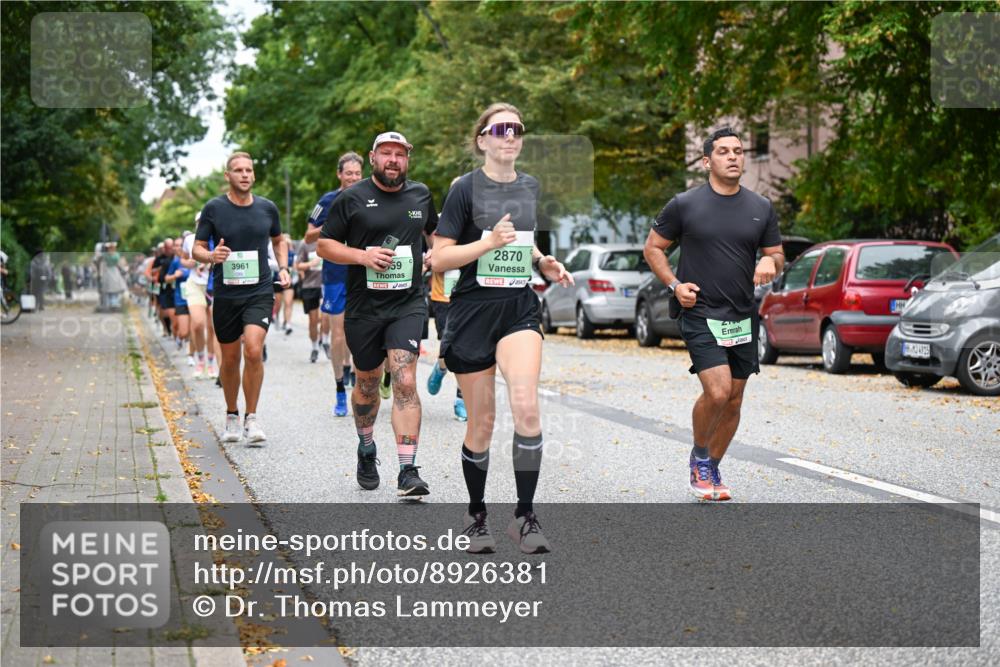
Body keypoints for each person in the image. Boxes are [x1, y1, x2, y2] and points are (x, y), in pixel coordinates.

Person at [432, 103, 573, 554]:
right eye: (500, 129)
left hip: (517, 308)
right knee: (482, 422)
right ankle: (477, 517)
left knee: (526, 407)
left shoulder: (530, 187)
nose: (510, 136)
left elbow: (527, 245)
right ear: (483, 140)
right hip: (473, 311)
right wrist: (486, 242)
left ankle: (525, 517)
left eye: (517, 129)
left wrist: (544, 262)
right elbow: (439, 258)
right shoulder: (464, 189)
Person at [643, 126, 784, 502]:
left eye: (738, 151)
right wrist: (675, 285)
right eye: (723, 151)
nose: (734, 156)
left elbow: (777, 254)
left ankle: (713, 465)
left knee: (735, 398)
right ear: (707, 161)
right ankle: (700, 457)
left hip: (742, 315)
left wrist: (770, 261)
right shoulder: (684, 205)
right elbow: (653, 248)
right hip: (700, 311)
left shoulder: (761, 208)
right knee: (718, 391)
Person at [318, 132, 438, 496]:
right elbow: (324, 244)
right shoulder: (350, 199)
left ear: (407, 160)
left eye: (400, 154)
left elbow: (436, 234)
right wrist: (363, 256)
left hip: (407, 303)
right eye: (386, 153)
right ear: (373, 158)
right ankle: (367, 448)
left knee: (404, 380)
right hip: (364, 307)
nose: (393, 160)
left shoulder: (420, 195)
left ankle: (407, 469)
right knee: (368, 384)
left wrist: (435, 254)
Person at [193, 151, 289, 445]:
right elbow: (196, 248)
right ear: (228, 176)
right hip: (226, 293)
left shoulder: (267, 208)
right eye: (238, 170)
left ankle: (252, 417)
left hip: (259, 291)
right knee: (231, 358)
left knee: (253, 350)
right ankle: (232, 415)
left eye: (249, 170)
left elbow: (278, 239)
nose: (245, 175)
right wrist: (211, 255)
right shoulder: (214, 209)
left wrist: (283, 267)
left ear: (253, 175)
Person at [305, 152, 364, 417]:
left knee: (359, 331)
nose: (353, 178)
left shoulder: (370, 196)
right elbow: (308, 237)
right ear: (339, 174)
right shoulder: (327, 201)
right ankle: (340, 389)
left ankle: (353, 370)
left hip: (365, 272)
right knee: (338, 332)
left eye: (357, 174)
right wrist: (332, 223)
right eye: (348, 173)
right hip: (336, 275)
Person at [426, 178, 468, 422]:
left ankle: (461, 399)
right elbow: (434, 253)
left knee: (467, 348)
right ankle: (441, 367)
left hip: (470, 294)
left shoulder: (479, 220)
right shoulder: (441, 220)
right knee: (450, 346)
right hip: (443, 295)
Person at [182, 215, 219, 379]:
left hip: (214, 285)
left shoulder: (217, 238)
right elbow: (183, 258)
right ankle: (200, 359)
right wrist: (189, 263)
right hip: (195, 285)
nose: (202, 225)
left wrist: (208, 262)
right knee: (198, 323)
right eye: (199, 223)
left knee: (212, 327)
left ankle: (211, 363)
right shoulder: (190, 239)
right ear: (196, 224)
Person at [294, 237, 325, 364]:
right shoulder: (305, 244)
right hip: (310, 286)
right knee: (313, 320)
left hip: (326, 284)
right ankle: (315, 347)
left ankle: (325, 339)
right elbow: (297, 265)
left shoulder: (329, 240)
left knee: (325, 317)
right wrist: (310, 264)